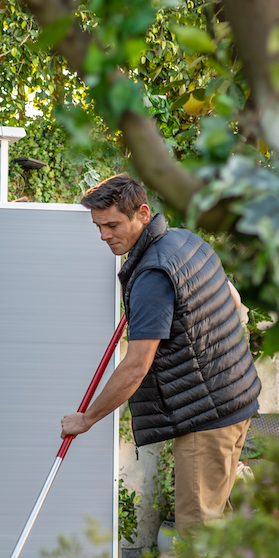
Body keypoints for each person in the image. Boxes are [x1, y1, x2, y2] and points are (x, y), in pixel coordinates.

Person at [60, 175, 261, 539]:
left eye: (112, 225)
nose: (104, 235)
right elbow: (233, 301)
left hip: (207, 417)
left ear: (142, 213)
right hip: (237, 400)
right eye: (98, 226)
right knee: (214, 519)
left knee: (198, 529)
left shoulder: (153, 275)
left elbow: (136, 366)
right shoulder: (186, 241)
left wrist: (86, 419)